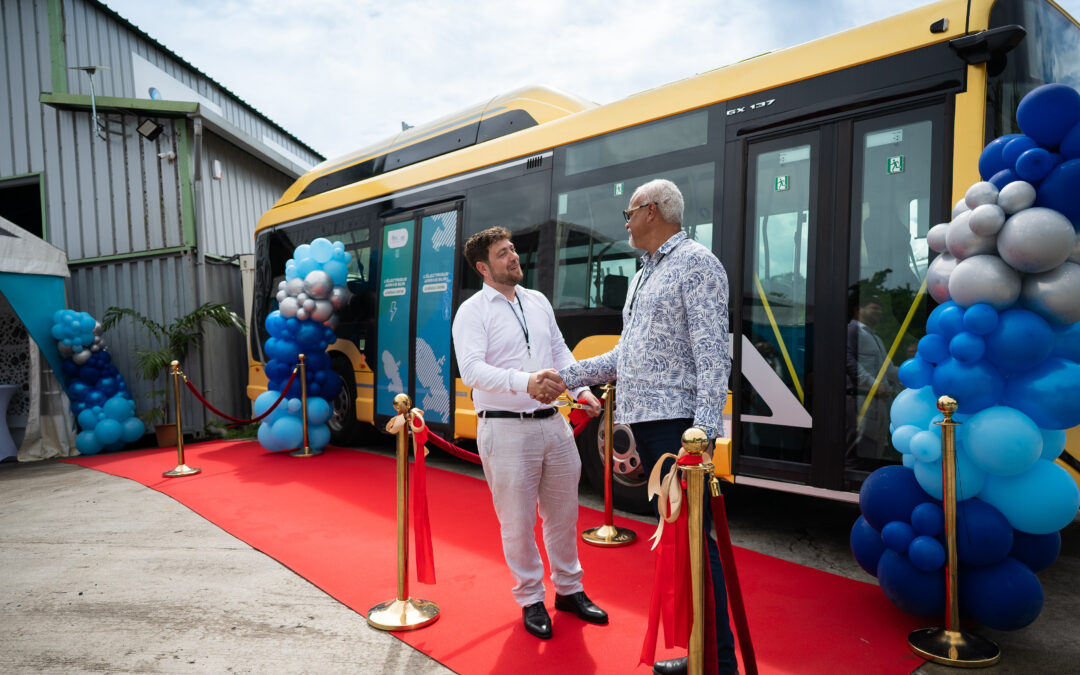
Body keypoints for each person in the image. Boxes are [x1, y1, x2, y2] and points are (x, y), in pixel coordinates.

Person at [553, 179, 736, 675]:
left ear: (651, 211)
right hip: (651, 426)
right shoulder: (643, 273)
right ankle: (701, 654)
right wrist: (565, 377)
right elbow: (623, 356)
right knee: (681, 549)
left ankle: (718, 663)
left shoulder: (697, 264)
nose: (626, 222)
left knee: (697, 548)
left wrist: (701, 438)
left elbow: (714, 355)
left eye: (629, 213)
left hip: (677, 433)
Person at [451, 226, 608, 640]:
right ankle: (531, 599)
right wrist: (526, 383)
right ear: (484, 267)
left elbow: (559, 353)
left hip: (553, 425)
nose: (514, 257)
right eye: (504, 254)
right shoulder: (472, 311)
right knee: (517, 524)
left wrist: (581, 390)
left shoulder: (537, 301)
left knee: (563, 516)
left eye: (513, 250)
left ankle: (570, 591)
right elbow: (471, 370)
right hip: (505, 431)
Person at [846, 295, 900, 465]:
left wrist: (914, 376)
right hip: (861, 400)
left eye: (881, 308)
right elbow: (846, 359)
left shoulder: (875, 337)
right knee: (860, 450)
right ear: (858, 310)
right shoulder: (852, 330)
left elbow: (889, 369)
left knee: (875, 450)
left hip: (878, 403)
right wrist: (873, 384)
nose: (879, 311)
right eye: (874, 307)